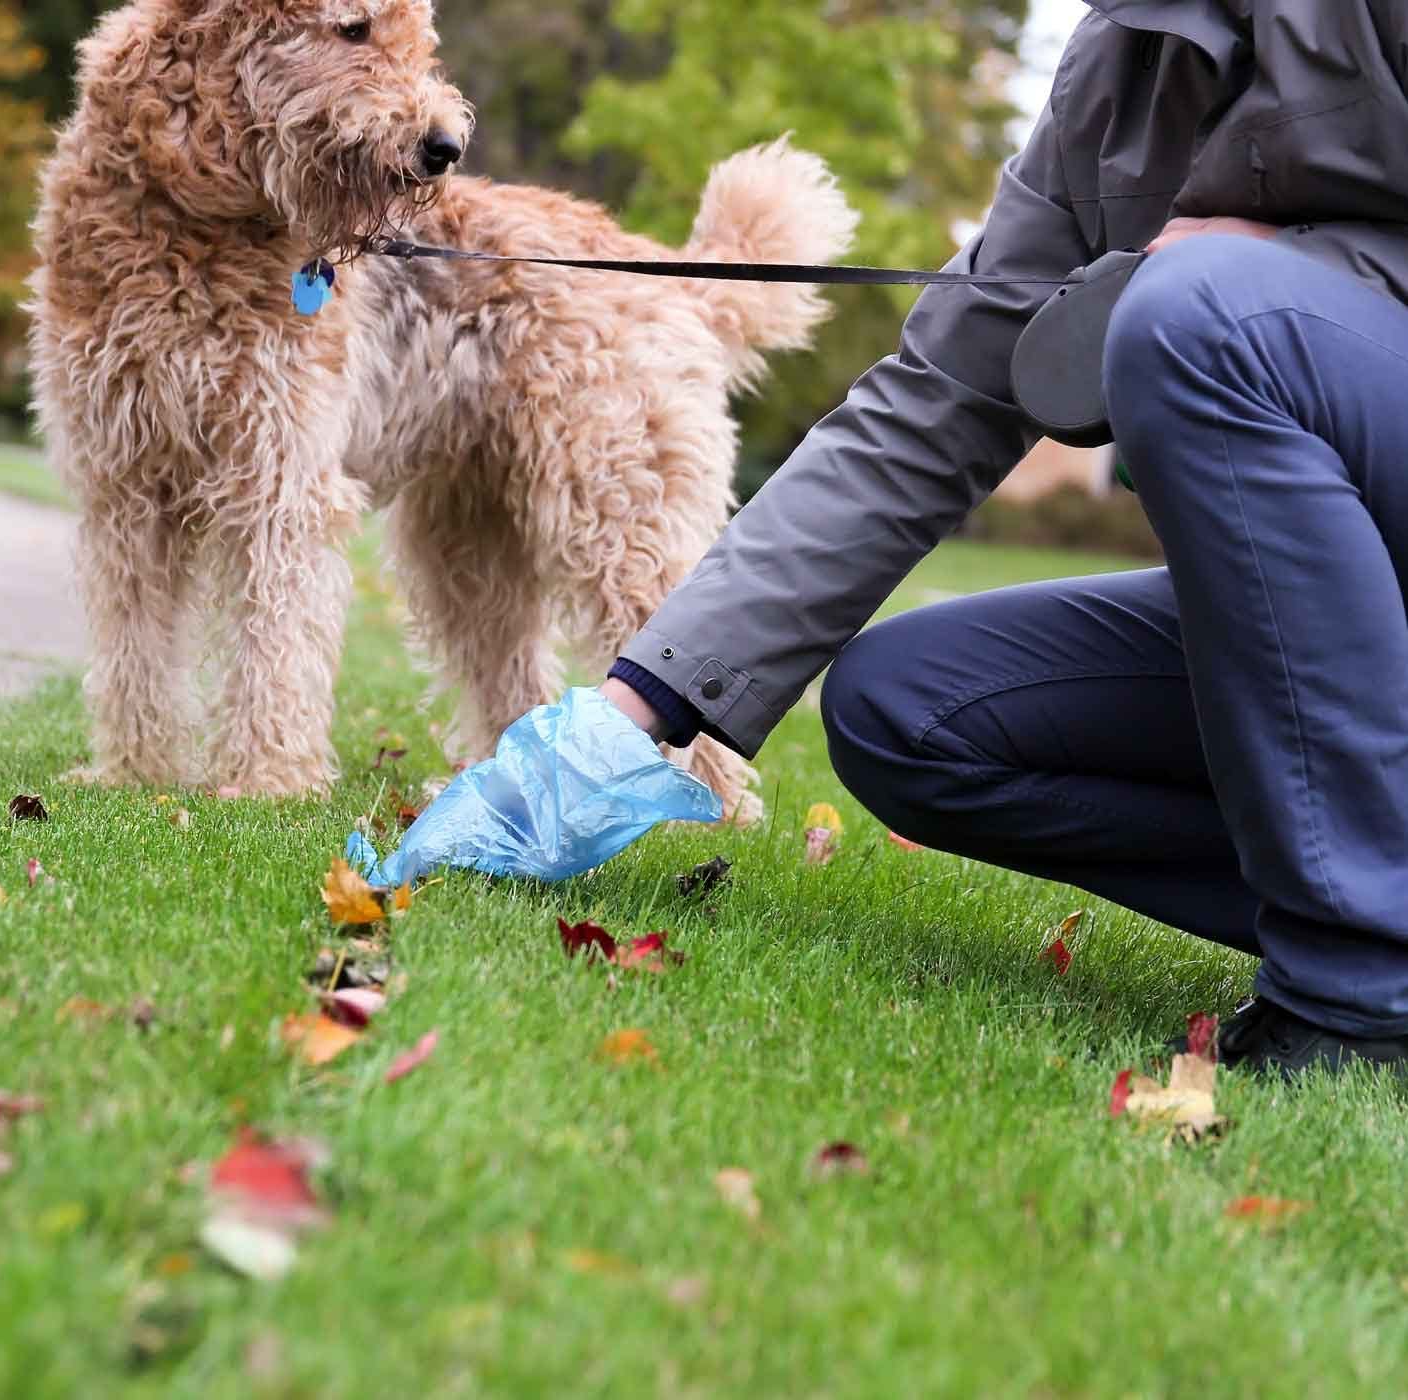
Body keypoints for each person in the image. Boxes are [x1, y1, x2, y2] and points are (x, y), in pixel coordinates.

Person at [405, 2, 1408, 1077]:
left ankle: (1357, 989)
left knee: (1203, 315)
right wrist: (623, 716)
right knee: (908, 711)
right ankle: (1362, 882)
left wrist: (1316, 266)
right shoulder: (1120, 68)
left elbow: (1216, 313)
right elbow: (938, 399)